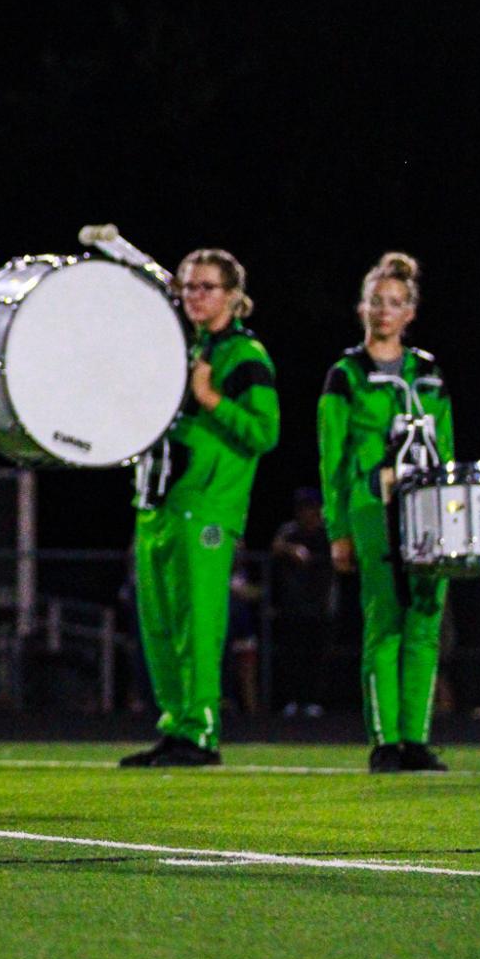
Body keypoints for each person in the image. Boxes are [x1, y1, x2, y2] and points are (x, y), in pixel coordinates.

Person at [122, 248, 280, 767]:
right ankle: (176, 725)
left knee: (199, 621)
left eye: (206, 287)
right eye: (188, 286)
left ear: (233, 295)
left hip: (208, 511)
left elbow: (265, 432)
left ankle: (202, 731)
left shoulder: (246, 356)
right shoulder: (180, 346)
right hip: (161, 504)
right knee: (160, 624)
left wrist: (210, 398)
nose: (194, 296)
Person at [318, 251, 454, 773]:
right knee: (385, 623)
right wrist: (339, 529)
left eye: (395, 303)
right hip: (373, 509)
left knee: (424, 622)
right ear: (363, 308)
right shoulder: (347, 374)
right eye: (377, 301)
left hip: (425, 513)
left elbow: (447, 444)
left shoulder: (428, 372)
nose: (384, 311)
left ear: (410, 312)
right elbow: (333, 458)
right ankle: (386, 740)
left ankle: (417, 739)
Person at [270, 488, 336, 717]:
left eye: (310, 508)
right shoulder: (290, 532)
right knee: (292, 655)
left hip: (321, 605)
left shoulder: (326, 532)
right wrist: (291, 550)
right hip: (294, 605)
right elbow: (275, 546)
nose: (306, 513)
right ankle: (292, 700)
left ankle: (313, 700)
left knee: (317, 656)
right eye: (302, 508)